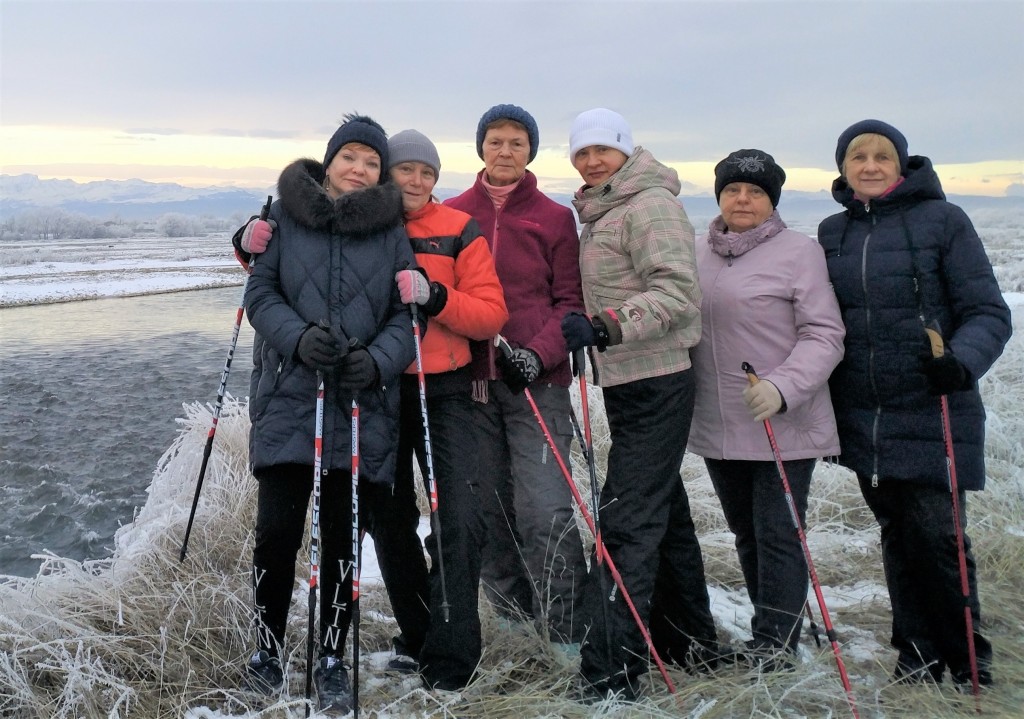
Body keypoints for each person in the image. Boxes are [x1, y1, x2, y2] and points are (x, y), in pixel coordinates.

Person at [818, 119, 1011, 687]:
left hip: (934, 407)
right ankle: (917, 657)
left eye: (883, 156)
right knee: (897, 537)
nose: (871, 166)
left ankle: (969, 660)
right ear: (844, 167)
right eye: (859, 156)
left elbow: (989, 312)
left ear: (902, 165)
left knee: (940, 537)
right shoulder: (834, 232)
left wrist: (962, 360)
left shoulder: (945, 221)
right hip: (865, 414)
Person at [241, 114, 417, 713]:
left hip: (360, 405)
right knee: (277, 534)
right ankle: (266, 649)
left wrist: (378, 361)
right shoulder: (286, 217)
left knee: (341, 541)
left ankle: (333, 656)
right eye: (351, 158)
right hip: (291, 398)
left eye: (372, 162)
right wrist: (297, 339)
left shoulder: (392, 230)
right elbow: (259, 293)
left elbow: (405, 316)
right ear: (330, 160)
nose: (360, 170)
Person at [559, 108, 723, 699]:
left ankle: (612, 672)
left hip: (659, 380)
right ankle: (689, 641)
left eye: (604, 149)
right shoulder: (604, 209)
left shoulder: (648, 204)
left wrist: (606, 326)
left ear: (627, 151)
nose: (592, 160)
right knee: (664, 511)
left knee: (626, 519)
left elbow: (679, 295)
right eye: (582, 153)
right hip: (628, 384)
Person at [687, 149, 845, 667]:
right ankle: (768, 631)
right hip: (719, 420)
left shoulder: (800, 252)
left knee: (779, 533)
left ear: (772, 201)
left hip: (781, 418)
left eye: (755, 192)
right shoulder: (697, 251)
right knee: (747, 533)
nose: (743, 199)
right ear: (719, 196)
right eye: (733, 189)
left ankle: (777, 647)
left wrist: (782, 387)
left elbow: (825, 333)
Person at [443, 104, 588, 647]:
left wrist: (537, 354)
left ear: (532, 151)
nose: (505, 151)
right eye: (496, 141)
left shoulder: (553, 218)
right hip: (469, 384)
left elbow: (569, 303)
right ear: (480, 147)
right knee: (485, 507)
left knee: (545, 508)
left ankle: (569, 631)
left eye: (517, 142)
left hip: (537, 384)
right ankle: (513, 621)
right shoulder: (454, 214)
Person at [369, 129, 508, 690]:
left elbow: (491, 314)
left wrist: (437, 297)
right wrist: (245, 246)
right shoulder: (362, 225)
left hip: (446, 388)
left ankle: (452, 660)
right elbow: (298, 259)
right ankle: (418, 634)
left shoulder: (456, 228)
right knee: (390, 520)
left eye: (427, 172)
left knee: (460, 519)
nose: (418, 180)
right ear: (388, 173)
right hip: (377, 388)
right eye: (406, 169)